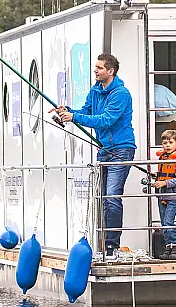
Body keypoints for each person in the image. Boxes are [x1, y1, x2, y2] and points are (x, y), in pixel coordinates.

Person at [54, 53, 136, 256]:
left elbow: (105, 120)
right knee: (103, 199)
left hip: (122, 149)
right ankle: (106, 243)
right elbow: (86, 112)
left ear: (111, 71)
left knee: (112, 197)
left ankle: (112, 245)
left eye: (99, 68)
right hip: (104, 150)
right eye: (95, 67)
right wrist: (67, 112)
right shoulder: (95, 90)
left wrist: (74, 117)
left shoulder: (121, 94)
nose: (95, 70)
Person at [152, 129, 176, 260]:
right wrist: (157, 177)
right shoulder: (163, 157)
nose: (167, 145)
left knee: (169, 221)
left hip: (174, 196)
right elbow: (164, 173)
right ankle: (168, 248)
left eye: (170, 142)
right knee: (164, 223)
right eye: (165, 143)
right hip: (162, 196)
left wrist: (164, 183)